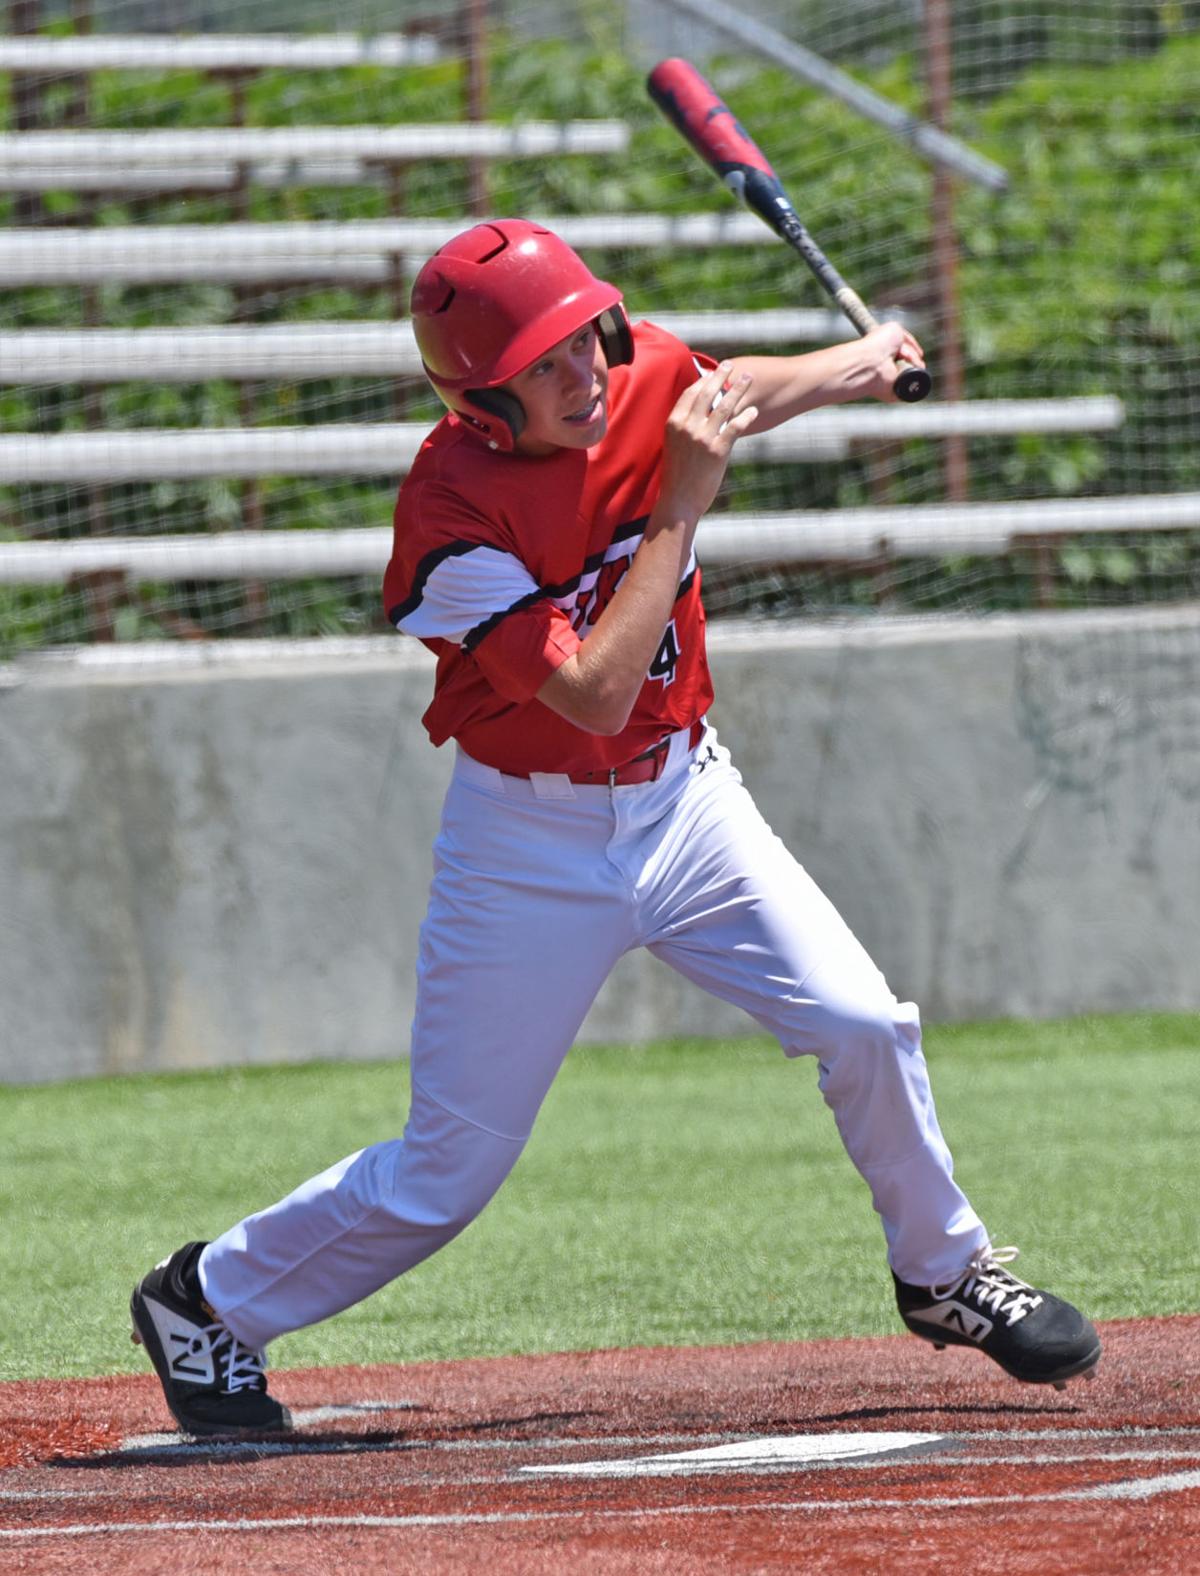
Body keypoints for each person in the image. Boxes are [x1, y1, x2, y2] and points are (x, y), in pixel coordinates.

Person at [130, 219, 1100, 1437]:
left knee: (863, 1021)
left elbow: (727, 393)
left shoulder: (635, 371)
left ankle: (946, 1271)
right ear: (483, 401)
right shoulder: (448, 513)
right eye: (541, 366)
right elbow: (589, 689)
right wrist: (681, 513)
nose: (584, 374)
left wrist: (859, 364)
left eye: (585, 339)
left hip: (687, 799)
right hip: (527, 846)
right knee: (449, 1171)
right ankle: (206, 1302)